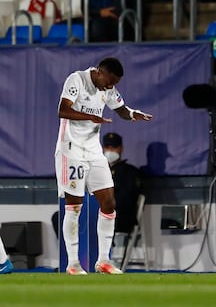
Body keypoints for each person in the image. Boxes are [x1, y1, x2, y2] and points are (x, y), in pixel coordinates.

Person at [55, 57, 153, 275]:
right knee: (75, 205)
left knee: (109, 202)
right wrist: (90, 117)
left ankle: (104, 261)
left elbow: (120, 109)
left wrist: (132, 114)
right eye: (109, 81)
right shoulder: (77, 80)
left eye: (114, 83)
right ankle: (73, 264)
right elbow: (62, 110)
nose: (110, 86)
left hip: (93, 152)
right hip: (71, 150)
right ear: (99, 72)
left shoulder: (108, 87)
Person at [102, 132, 142, 234]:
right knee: (60, 217)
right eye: (107, 147)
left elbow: (128, 200)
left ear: (121, 148)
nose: (110, 150)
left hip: (120, 216)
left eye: (114, 147)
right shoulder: (97, 170)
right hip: (98, 212)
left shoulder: (130, 172)